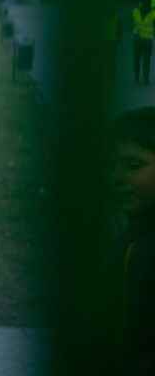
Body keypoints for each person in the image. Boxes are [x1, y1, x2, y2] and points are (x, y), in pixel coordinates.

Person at [110, 107, 155, 375]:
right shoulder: (135, 234)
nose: (116, 178)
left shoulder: (145, 250)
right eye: (112, 166)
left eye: (134, 166)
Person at [132, 0, 155, 84]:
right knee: (146, 60)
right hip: (147, 40)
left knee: (137, 59)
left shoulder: (135, 11)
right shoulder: (153, 13)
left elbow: (133, 24)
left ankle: (137, 78)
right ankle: (145, 78)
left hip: (138, 39)